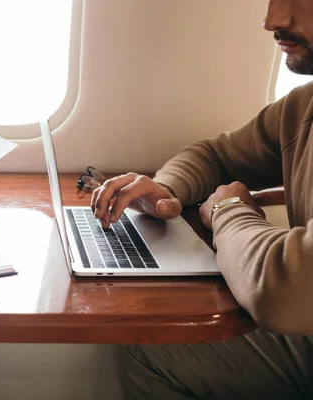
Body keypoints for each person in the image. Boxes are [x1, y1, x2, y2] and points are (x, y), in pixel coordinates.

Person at [91, 1, 313, 398]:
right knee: (153, 344)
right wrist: (166, 190)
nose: (272, 21)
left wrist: (229, 211)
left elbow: (286, 289)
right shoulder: (304, 106)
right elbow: (214, 155)